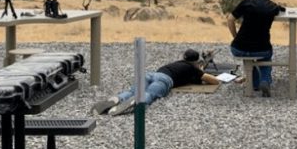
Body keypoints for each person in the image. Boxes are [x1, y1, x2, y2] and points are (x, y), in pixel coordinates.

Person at [92, 49, 220, 116]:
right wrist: (201, 70)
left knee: (132, 91)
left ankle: (117, 98)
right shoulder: (192, 68)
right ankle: (138, 101)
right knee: (150, 94)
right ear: (196, 61)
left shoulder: (177, 63)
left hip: (151, 74)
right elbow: (213, 81)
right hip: (164, 80)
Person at [226, 0, 285, 97]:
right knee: (265, 57)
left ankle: (255, 83)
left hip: (239, 48)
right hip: (261, 48)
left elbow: (230, 19)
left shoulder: (247, 2)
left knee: (249, 55)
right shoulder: (272, 7)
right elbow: (273, 5)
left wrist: (235, 37)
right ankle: (264, 81)